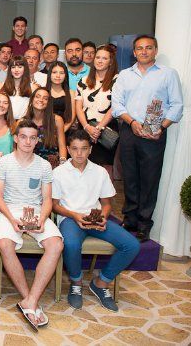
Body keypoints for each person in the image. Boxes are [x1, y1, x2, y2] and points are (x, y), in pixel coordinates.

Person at [52, 129, 140, 312]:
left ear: (90, 150)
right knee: (71, 244)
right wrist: (75, 215)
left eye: (84, 148)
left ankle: (101, 283)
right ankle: (76, 283)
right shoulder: (59, 172)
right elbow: (55, 205)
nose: (79, 153)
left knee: (132, 245)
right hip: (70, 218)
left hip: (95, 218)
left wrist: (103, 218)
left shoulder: (100, 172)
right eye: (75, 148)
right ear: (68, 149)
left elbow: (106, 204)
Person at [0, 119, 63, 330]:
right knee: (5, 244)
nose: (28, 142)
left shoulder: (44, 165)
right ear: (15, 138)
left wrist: (42, 219)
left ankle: (31, 301)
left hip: (36, 211)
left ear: (37, 140)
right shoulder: (4, 162)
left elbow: (47, 199)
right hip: (9, 211)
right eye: (23, 137)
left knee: (56, 244)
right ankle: (29, 300)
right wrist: (11, 219)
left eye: (33, 138)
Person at [112, 34, 183, 242]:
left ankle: (144, 224)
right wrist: (132, 123)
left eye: (148, 48)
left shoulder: (168, 74)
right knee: (130, 177)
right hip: (129, 130)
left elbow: (177, 105)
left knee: (150, 179)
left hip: (155, 131)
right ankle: (130, 219)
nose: (144, 51)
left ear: (155, 50)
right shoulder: (124, 75)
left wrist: (161, 127)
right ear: (134, 53)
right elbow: (117, 104)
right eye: (140, 48)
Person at [76, 45, 119, 176]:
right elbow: (78, 107)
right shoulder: (83, 80)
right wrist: (87, 127)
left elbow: (115, 106)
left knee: (105, 169)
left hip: (106, 129)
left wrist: (99, 129)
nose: (100, 61)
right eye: (98, 57)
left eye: (104, 58)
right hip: (85, 127)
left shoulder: (118, 80)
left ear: (110, 62)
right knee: (84, 166)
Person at [26, 87, 67, 168]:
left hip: (52, 167)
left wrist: (63, 166)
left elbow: (62, 145)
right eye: (38, 96)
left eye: (45, 98)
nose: (41, 100)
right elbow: (17, 148)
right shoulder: (23, 122)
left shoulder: (57, 120)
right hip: (29, 166)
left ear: (48, 103)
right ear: (32, 99)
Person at [47, 62, 76, 132]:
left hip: (65, 130)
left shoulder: (71, 93)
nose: (58, 76)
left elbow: (72, 116)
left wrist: (61, 132)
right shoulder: (44, 91)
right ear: (49, 74)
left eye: (61, 73)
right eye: (54, 72)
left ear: (65, 75)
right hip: (45, 129)